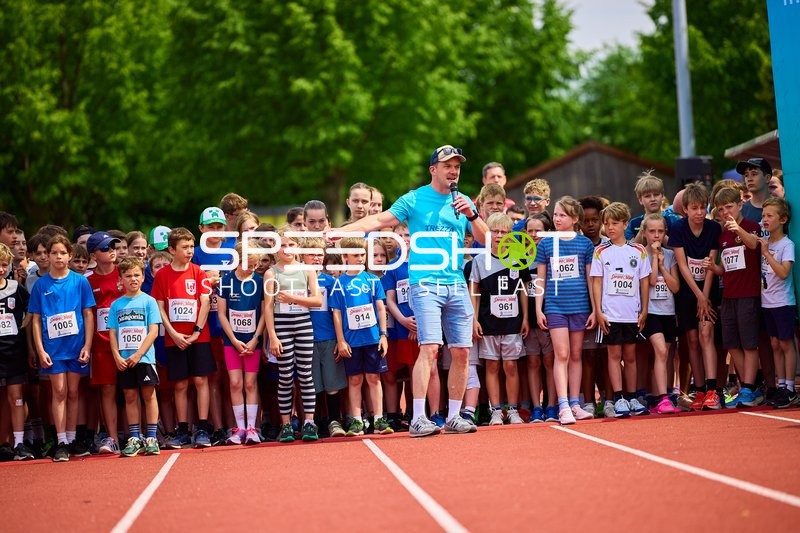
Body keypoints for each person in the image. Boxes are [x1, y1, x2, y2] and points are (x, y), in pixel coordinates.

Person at [337, 145, 489, 437]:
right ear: (433, 169)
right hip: (425, 283)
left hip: (456, 282)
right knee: (430, 348)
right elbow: (381, 220)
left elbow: (486, 240)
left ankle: (455, 416)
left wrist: (472, 215)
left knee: (461, 351)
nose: (453, 170)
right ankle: (419, 417)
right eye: (447, 165)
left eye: (457, 166)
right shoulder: (415, 198)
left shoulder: (463, 202)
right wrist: (345, 231)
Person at [28, 235, 96, 462]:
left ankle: (71, 437)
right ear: (48, 256)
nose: (58, 257)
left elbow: (88, 314)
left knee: (74, 392)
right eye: (54, 253)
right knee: (59, 392)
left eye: (62, 253)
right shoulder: (41, 285)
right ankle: (61, 442)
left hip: (76, 347)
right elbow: (36, 320)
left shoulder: (80, 282)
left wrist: (87, 344)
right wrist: (40, 349)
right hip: (53, 348)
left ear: (69, 256)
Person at [534, 196, 597, 425]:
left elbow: (591, 279)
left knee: (577, 354)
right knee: (561, 354)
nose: (557, 218)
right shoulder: (546, 244)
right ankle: (562, 406)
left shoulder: (585, 244)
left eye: (562, 215)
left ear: (575, 219)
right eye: (556, 214)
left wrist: (594, 309)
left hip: (580, 306)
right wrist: (539, 310)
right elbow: (540, 279)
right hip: (555, 306)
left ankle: (575, 403)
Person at [151, 227, 216, 448]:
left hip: (200, 336)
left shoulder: (198, 272)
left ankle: (203, 428)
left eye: (191, 246)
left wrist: (197, 331)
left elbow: (205, 302)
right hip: (174, 338)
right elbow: (159, 307)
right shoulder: (162, 275)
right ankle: (183, 430)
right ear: (172, 249)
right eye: (184, 247)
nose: (189, 251)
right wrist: (173, 333)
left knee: (200, 380)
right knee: (179, 384)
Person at [703, 187, 762, 408]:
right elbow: (726, 268)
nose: (726, 212)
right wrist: (714, 268)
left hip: (748, 294)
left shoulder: (751, 227)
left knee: (749, 344)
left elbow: (753, 245)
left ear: (740, 205)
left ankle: (748, 387)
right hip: (728, 295)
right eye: (721, 209)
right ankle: (749, 386)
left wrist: (738, 229)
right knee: (731, 344)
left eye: (729, 207)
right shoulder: (723, 236)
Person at [469, 213, 530, 424]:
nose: (499, 235)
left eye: (504, 232)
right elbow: (474, 292)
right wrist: (474, 319)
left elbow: (523, 289)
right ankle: (495, 410)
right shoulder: (479, 260)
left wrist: (525, 318)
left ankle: (512, 409)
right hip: (488, 322)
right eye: (495, 231)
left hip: (513, 322)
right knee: (492, 366)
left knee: (511, 366)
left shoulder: (518, 256)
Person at [591, 202, 651, 417]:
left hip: (632, 313)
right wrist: (598, 311)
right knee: (614, 355)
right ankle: (618, 398)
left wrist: (644, 309)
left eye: (615, 223)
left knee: (631, 355)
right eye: (606, 224)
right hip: (610, 313)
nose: (610, 228)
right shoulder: (600, 251)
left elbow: (644, 282)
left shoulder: (638, 250)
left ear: (626, 224)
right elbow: (596, 282)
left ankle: (633, 396)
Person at [263, 228, 322, 442]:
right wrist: (273, 336)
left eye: (291, 244)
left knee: (305, 375)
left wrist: (293, 299)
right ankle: (286, 425)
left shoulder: (307, 270)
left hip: (303, 324)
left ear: (298, 247)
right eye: (282, 244)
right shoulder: (271, 273)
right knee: (285, 376)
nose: (287, 249)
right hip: (282, 326)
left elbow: (317, 301)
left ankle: (309, 422)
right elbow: (268, 308)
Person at [329, 237, 393, 436]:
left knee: (374, 377)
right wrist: (340, 340)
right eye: (356, 255)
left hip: (373, 339)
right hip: (351, 341)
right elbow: (337, 313)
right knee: (355, 380)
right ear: (345, 257)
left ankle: (379, 419)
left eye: (363, 254)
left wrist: (383, 335)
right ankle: (356, 421)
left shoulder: (373, 280)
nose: (360, 258)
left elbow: (381, 308)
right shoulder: (339, 283)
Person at [669, 183, 720, 411]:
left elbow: (710, 263)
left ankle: (712, 389)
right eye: (694, 208)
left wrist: (705, 296)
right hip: (688, 292)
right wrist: (697, 295)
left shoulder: (713, 229)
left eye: (703, 207)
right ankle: (698, 391)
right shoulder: (679, 229)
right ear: (685, 209)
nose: (699, 212)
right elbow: (682, 264)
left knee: (706, 333)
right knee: (691, 341)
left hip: (708, 289)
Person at [107, 257, 162, 456]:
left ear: (143, 276)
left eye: (137, 275)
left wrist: (139, 354)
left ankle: (151, 437)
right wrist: (116, 356)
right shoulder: (116, 305)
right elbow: (112, 332)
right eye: (128, 276)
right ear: (120, 279)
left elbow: (153, 331)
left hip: (144, 358)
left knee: (148, 394)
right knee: (130, 396)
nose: (133, 279)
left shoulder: (149, 301)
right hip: (124, 359)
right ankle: (134, 437)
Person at [217, 241, 264, 445]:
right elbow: (221, 314)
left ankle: (252, 428)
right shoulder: (225, 281)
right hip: (232, 341)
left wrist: (255, 339)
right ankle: (240, 429)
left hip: (253, 341)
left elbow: (264, 313)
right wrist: (234, 340)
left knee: (250, 383)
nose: (252, 269)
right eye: (249, 264)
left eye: (255, 265)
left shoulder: (261, 282)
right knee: (235, 383)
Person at [301, 238, 347, 437]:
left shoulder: (331, 281)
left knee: (332, 383)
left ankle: (334, 421)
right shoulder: (298, 279)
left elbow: (338, 312)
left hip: (328, 338)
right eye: (312, 254)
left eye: (320, 254)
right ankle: (316, 422)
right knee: (313, 384)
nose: (316, 258)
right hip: (305, 338)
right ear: (302, 256)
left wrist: (340, 339)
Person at [85, 231, 125, 455]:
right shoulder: (87, 281)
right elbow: (87, 314)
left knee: (132, 389)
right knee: (107, 391)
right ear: (93, 255)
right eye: (105, 248)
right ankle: (111, 437)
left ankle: (136, 434)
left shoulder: (126, 272)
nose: (111, 251)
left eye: (113, 246)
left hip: (129, 341)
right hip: (101, 344)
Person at [758, 197, 797, 407]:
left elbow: (783, 272)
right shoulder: (767, 242)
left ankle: (790, 388)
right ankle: (781, 385)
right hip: (768, 302)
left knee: (785, 342)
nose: (765, 219)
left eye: (769, 216)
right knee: (774, 343)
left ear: (782, 219)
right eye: (763, 215)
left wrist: (766, 254)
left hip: (783, 302)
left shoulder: (786, 244)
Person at [640, 214, 681, 414]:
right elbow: (651, 282)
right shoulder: (640, 253)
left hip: (668, 312)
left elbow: (675, 287)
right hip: (651, 312)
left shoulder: (670, 254)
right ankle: (662, 397)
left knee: (663, 355)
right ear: (645, 232)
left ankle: (659, 397)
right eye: (652, 231)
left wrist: (663, 265)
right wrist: (655, 258)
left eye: (660, 231)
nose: (656, 235)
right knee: (661, 352)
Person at [0, 243, 34, 460]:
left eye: (4, 265)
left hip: (14, 350)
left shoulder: (15, 287)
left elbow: (32, 310)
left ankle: (19, 443)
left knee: (16, 396)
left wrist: (21, 327)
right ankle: (3, 441)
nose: (0, 269)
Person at [523, 213, 556, 423]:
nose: (534, 235)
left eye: (539, 230)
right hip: (530, 317)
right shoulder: (521, 258)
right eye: (530, 230)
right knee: (533, 361)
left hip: (552, 313)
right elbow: (523, 290)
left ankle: (551, 405)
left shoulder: (554, 255)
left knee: (550, 360)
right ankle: (536, 407)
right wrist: (526, 317)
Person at [625, 171, 680, 243]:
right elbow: (630, 251)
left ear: (662, 196)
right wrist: (642, 231)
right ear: (640, 200)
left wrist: (659, 230)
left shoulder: (673, 219)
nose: (653, 199)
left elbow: (680, 247)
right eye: (647, 196)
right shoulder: (633, 223)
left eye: (656, 194)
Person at [737, 157, 772, 228]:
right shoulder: (741, 211)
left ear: (767, 178)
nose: (749, 179)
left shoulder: (781, 207)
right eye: (746, 175)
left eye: (754, 174)